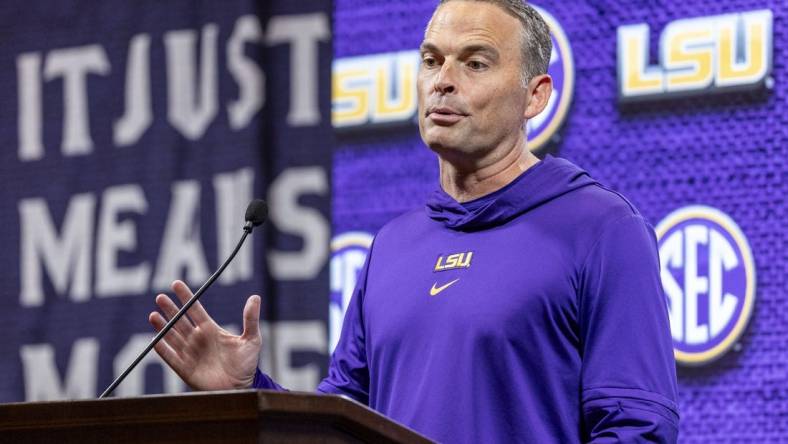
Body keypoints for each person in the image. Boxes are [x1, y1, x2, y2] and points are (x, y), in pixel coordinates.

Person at [149, 0, 680, 442]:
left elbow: (637, 428)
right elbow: (341, 428)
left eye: (475, 63)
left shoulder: (603, 230)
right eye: (431, 60)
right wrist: (248, 389)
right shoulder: (393, 246)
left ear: (535, 95)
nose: (443, 82)